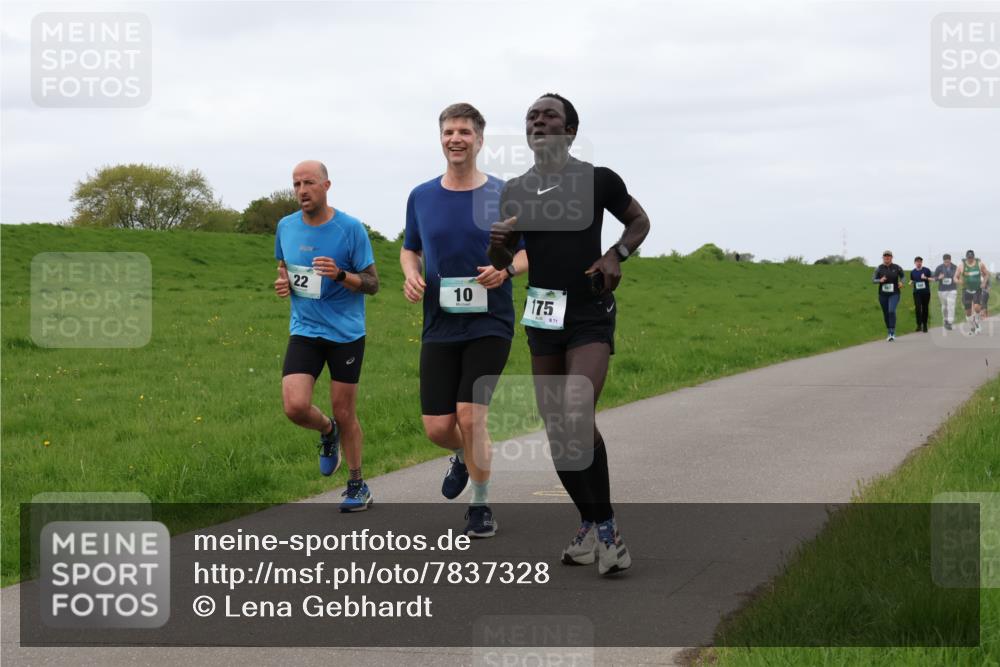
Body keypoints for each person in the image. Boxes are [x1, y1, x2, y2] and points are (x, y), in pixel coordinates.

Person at [488, 93, 651, 575]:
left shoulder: (597, 179)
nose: (539, 122)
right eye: (531, 117)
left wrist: (616, 255)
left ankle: (609, 534)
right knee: (559, 430)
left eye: (549, 116)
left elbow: (640, 221)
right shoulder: (515, 189)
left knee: (576, 411)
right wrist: (498, 247)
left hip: (588, 314)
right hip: (543, 318)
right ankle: (590, 523)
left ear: (570, 131)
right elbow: (504, 261)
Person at [400, 103, 528, 537]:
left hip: (490, 321)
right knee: (440, 428)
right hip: (439, 322)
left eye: (465, 132)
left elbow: (531, 250)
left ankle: (480, 504)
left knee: (471, 417)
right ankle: (460, 454)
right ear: (441, 139)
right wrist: (411, 275)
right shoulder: (421, 196)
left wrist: (506, 271)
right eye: (449, 131)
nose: (456, 139)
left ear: (479, 139)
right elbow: (409, 248)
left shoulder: (504, 193)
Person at [274, 160, 379, 512]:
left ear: (326, 185)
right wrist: (282, 283)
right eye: (296, 184)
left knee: (345, 410)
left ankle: (356, 484)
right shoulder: (285, 227)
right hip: (305, 328)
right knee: (295, 406)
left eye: (309, 183)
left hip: (345, 333)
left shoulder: (350, 229)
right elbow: (284, 268)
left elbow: (373, 284)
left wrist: (340, 275)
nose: (302, 191)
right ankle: (326, 430)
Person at [872, 251, 905, 341]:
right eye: (885, 256)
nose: (887, 257)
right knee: (886, 313)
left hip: (894, 293)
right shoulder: (878, 268)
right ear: (882, 257)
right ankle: (889, 331)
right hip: (883, 295)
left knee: (891, 310)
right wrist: (880, 280)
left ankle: (892, 332)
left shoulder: (897, 267)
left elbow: (903, 276)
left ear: (891, 257)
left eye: (888, 256)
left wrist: (902, 282)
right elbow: (873, 280)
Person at [956, 249, 988, 335]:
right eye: (969, 258)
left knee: (977, 307)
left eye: (971, 257)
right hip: (966, 290)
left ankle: (977, 321)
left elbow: (986, 274)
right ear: (966, 258)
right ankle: (973, 327)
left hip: (977, 289)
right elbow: (955, 277)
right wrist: (959, 281)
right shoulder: (961, 266)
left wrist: (984, 282)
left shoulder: (980, 264)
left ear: (974, 257)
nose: (970, 259)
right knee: (968, 312)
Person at [933, 253, 958, 331]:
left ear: (950, 260)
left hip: (952, 289)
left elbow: (958, 276)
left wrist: (956, 279)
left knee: (951, 305)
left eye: (948, 261)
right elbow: (934, 278)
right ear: (943, 261)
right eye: (945, 261)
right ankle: (945, 320)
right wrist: (939, 277)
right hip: (942, 290)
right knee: (944, 307)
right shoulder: (939, 268)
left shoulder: (955, 267)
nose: (947, 263)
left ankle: (950, 322)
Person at [909, 256, 932, 333]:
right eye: (917, 261)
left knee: (925, 308)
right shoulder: (913, 272)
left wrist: (925, 278)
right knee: (918, 308)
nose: (918, 263)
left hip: (926, 292)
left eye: (920, 261)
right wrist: (911, 283)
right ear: (915, 263)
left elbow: (932, 279)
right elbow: (912, 280)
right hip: (916, 293)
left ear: (921, 262)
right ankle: (919, 325)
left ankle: (925, 325)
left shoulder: (926, 270)